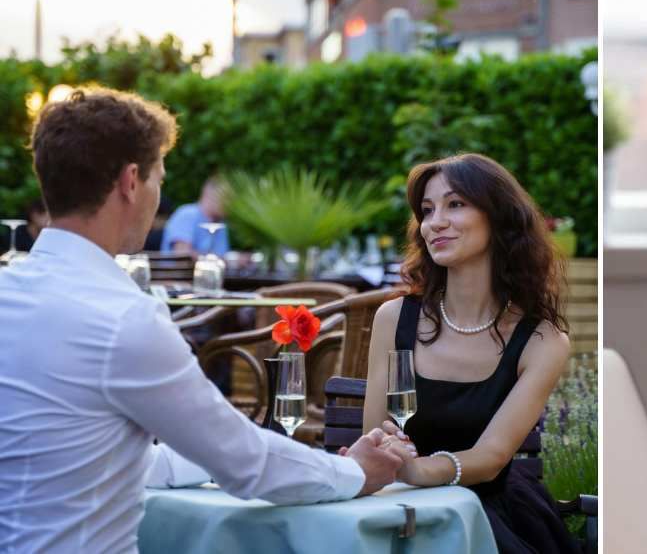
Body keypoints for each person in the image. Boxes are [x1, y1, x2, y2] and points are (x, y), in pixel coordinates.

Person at [0, 88, 417, 554]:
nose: (159, 196)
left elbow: (90, 453)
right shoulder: (124, 318)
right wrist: (356, 471)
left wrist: (211, 454)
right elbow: (247, 462)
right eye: (159, 178)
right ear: (131, 181)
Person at [362, 153, 580, 554]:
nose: (435, 222)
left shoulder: (542, 340)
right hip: (396, 506)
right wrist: (390, 462)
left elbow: (492, 456)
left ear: (498, 217)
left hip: (486, 517)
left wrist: (420, 470)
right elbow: (374, 433)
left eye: (455, 204)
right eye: (427, 211)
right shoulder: (393, 319)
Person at [160, 175, 229, 255]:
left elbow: (221, 255)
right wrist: (221, 261)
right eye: (226, 198)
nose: (230, 204)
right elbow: (182, 254)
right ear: (210, 194)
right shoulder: (187, 214)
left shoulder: (220, 223)